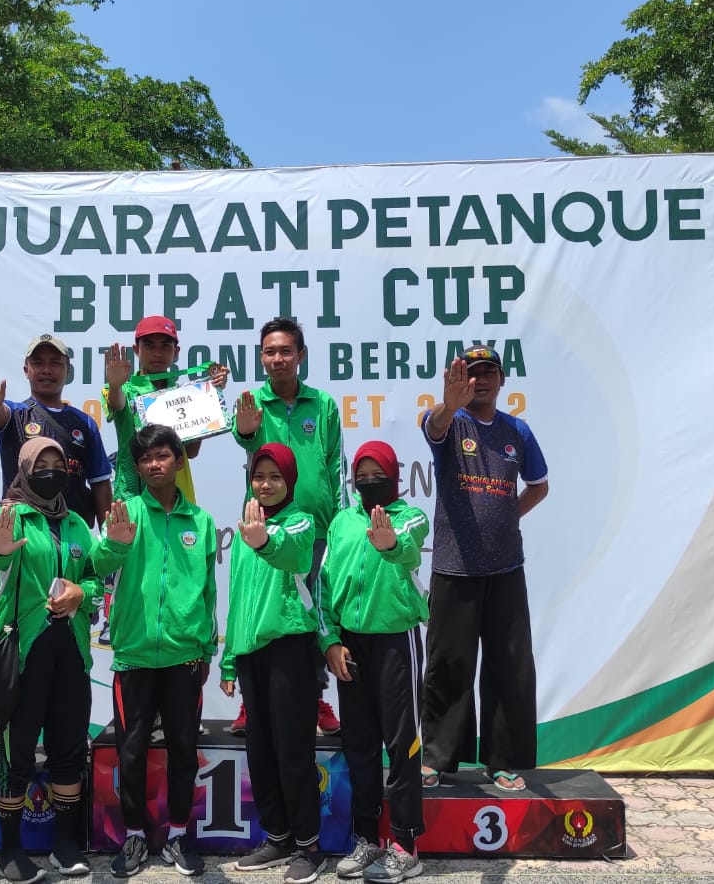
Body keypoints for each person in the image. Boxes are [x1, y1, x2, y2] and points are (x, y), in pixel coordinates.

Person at [419, 345, 548, 794]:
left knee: (509, 666)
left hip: (506, 567)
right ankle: (436, 759)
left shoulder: (518, 431)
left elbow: (539, 486)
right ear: (461, 381)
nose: (481, 380)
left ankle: (504, 762)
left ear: (502, 379)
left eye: (489, 372)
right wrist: (447, 405)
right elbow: (433, 426)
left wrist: (507, 515)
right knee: (448, 666)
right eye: (472, 374)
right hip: (455, 568)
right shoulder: (450, 422)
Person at [91, 424, 218, 878]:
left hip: (185, 657)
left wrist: (205, 647)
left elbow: (208, 593)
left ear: (179, 462)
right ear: (139, 467)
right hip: (135, 656)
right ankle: (136, 838)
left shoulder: (200, 522)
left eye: (163, 456)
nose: (154, 464)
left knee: (184, 750)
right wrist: (115, 541)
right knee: (132, 753)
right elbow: (101, 567)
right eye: (145, 459)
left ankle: (180, 835)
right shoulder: (126, 515)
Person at [0, 437, 102, 882]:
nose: (50, 469)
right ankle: (10, 850)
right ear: (25, 468)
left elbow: (95, 582)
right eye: (40, 463)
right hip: (23, 654)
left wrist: (81, 594)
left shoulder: (77, 525)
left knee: (69, 747)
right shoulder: (11, 515)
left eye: (57, 462)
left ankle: (65, 845)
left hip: (71, 653)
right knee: (17, 752)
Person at [320, 441, 430, 882]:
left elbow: (409, 547)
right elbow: (324, 585)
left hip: (395, 642)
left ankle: (405, 844)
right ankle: (367, 839)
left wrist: (389, 544)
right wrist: (329, 639)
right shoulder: (342, 523)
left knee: (401, 746)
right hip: (351, 646)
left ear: (393, 476)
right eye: (361, 475)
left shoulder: (411, 517)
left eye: (376, 473)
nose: (369, 481)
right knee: (359, 746)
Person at [231, 317, 344, 737]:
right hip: (264, 528)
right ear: (261, 357)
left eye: (285, 351)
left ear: (301, 355)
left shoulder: (324, 404)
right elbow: (245, 440)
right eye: (269, 352)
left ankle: (315, 699)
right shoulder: (253, 402)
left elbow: (335, 463)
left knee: (312, 614)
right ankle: (249, 701)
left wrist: (339, 523)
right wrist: (245, 429)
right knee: (259, 611)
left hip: (314, 531)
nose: (277, 359)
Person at [220, 444, 325, 884]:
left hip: (290, 649)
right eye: (258, 476)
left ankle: (309, 846)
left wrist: (264, 540)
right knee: (260, 751)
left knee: (293, 752)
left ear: (290, 481)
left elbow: (295, 555)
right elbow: (238, 595)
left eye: (274, 477)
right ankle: (278, 836)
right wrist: (229, 660)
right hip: (251, 652)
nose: (265, 485)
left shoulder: (299, 520)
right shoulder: (247, 525)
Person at [98, 315, 227, 647]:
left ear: (176, 351)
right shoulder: (125, 386)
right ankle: (120, 628)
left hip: (176, 495)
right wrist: (114, 384)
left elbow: (193, 450)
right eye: (149, 345)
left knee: (177, 573)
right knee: (129, 572)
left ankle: (182, 637)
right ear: (136, 349)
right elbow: (116, 404)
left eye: (165, 345)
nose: (157, 352)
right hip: (132, 496)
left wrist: (209, 396)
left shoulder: (184, 390)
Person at [0, 333, 112, 529]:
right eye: (38, 363)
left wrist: (109, 536)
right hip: (24, 531)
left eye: (55, 363)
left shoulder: (84, 423)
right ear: (26, 370)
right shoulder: (15, 414)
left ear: (68, 371)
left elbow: (101, 484)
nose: (46, 370)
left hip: (73, 537)